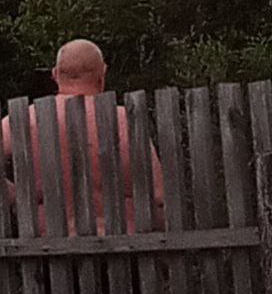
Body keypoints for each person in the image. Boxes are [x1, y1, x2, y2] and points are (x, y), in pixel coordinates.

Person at [1, 39, 164, 235]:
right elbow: (160, 198)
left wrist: (18, 196)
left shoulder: (27, 120)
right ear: (102, 74)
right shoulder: (126, 122)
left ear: (55, 74)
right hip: (125, 250)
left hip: (47, 251)